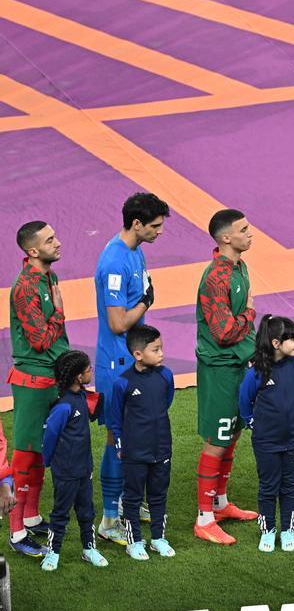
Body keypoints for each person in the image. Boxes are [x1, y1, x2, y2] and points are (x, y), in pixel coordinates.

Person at [92, 192, 168, 544]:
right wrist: (145, 302)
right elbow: (118, 323)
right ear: (136, 223)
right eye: (154, 226)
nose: (159, 232)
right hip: (118, 365)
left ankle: (129, 502)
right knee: (117, 440)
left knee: (134, 438)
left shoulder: (135, 250)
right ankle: (109, 518)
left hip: (132, 360)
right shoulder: (113, 263)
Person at [194, 209, 259, 546]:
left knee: (232, 434)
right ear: (225, 238)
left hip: (238, 364)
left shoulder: (240, 266)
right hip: (220, 368)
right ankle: (204, 518)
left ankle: (219, 504)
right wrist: (249, 310)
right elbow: (222, 332)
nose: (251, 234)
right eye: (244, 230)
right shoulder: (215, 278)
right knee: (218, 439)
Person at [8, 221, 67, 557]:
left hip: (50, 377)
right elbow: (41, 339)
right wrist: (59, 312)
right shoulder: (25, 288)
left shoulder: (49, 276)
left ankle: (31, 516)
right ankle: (16, 534)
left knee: (40, 451)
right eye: (49, 240)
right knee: (25, 455)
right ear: (32, 251)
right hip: (33, 381)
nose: (57, 243)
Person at [239, 315, 294, 553]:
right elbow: (245, 402)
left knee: (289, 485)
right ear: (276, 343)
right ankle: (268, 530)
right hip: (266, 441)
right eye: (293, 338)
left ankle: (288, 529)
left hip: (293, 439)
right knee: (269, 486)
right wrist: (255, 425)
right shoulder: (256, 372)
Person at [110, 325, 175, 560]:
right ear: (138, 354)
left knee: (159, 495)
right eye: (156, 350)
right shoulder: (123, 383)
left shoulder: (166, 375)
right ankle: (134, 541)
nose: (162, 354)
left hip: (162, 447)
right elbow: (115, 419)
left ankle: (158, 538)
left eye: (161, 348)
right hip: (135, 451)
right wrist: (120, 446)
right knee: (133, 497)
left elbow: (165, 402)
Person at [41, 350, 107, 572]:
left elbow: (95, 408)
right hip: (66, 472)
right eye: (89, 369)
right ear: (79, 376)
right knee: (60, 514)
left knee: (86, 511)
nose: (91, 372)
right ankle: (53, 552)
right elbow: (50, 436)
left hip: (84, 469)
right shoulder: (63, 407)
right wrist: (48, 462)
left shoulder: (81, 397)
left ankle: (89, 549)